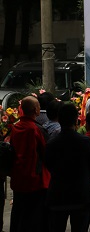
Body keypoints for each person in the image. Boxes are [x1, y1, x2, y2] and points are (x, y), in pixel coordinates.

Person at [45, 103, 90, 232]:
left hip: (58, 194)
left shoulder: (52, 143)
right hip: (81, 194)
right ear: (76, 120)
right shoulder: (85, 142)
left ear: (59, 119)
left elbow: (48, 165)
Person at [9, 96, 50, 232]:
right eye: (38, 106)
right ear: (35, 110)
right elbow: (46, 153)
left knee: (19, 212)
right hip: (35, 179)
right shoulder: (36, 129)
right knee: (34, 217)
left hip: (18, 177)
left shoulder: (16, 127)